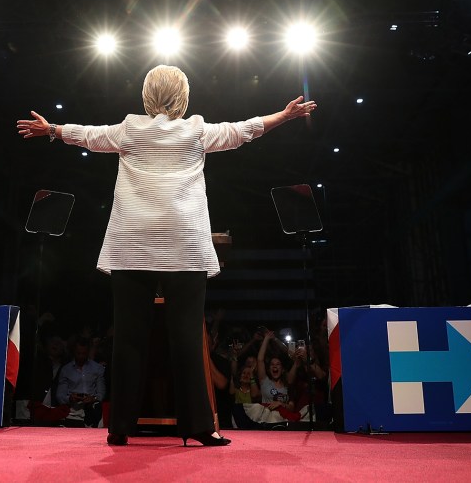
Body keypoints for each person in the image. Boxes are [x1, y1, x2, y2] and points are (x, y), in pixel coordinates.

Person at [17, 64, 317, 447]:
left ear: (147, 95)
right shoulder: (195, 131)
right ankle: (198, 426)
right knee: (188, 338)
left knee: (127, 338)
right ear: (183, 96)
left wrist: (52, 131)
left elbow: (87, 136)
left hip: (132, 244)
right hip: (184, 246)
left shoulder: (129, 129)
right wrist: (285, 116)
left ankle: (120, 427)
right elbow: (246, 130)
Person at [55, 340, 106, 427]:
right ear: (74, 352)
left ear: (88, 352)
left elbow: (101, 393)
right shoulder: (66, 370)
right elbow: (60, 395)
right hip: (72, 413)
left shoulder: (97, 368)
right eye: (79, 353)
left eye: (84, 353)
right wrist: (70, 398)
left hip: (92, 412)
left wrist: (93, 398)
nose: (81, 356)